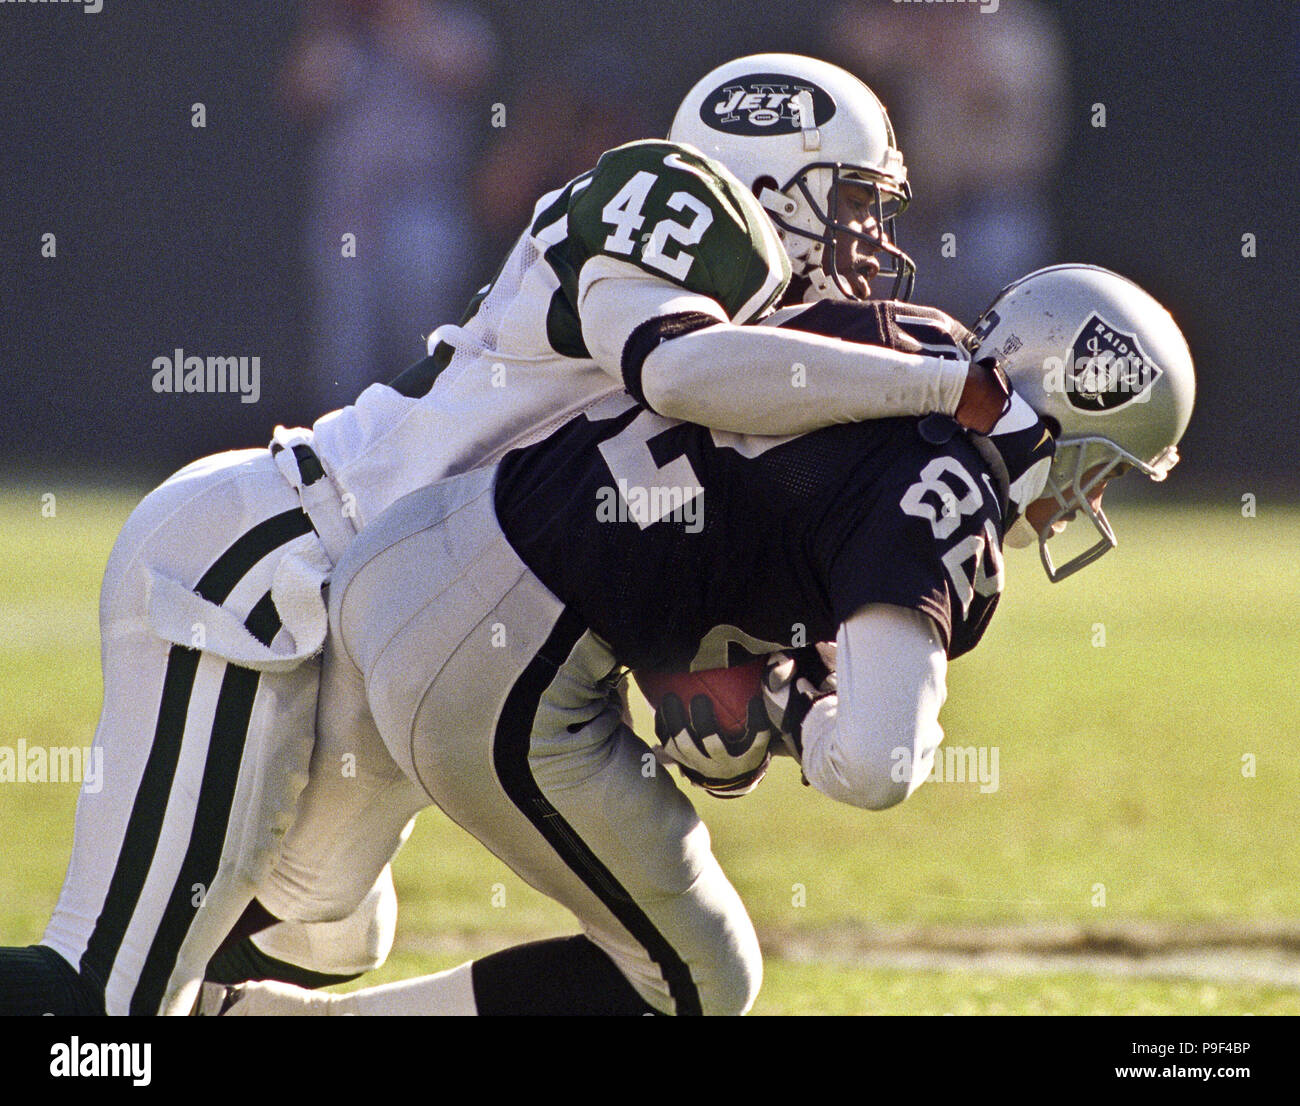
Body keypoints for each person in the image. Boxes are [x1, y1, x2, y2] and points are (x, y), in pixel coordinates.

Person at [0, 53, 1008, 1016]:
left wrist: (772, 698)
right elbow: (676, 368)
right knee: (107, 1004)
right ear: (770, 174)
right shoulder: (680, 195)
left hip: (373, 617)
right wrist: (935, 383)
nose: (870, 240)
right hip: (269, 560)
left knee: (325, 936)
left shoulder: (767, 348)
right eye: (852, 201)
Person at [204, 264, 1195, 1015]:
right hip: (497, 659)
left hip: (413, 540)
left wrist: (735, 672)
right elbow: (878, 763)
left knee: (310, 909)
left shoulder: (894, 336)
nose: (1083, 501)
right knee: (698, 977)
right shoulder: (944, 503)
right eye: (1095, 469)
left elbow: (723, 496)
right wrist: (793, 705)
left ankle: (133, 998)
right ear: (1063, 408)